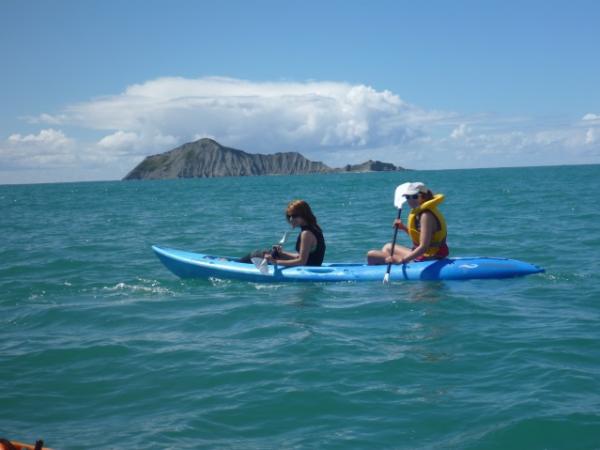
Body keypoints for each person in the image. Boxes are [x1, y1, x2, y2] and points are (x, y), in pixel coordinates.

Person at [367, 182, 448, 265]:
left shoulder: (425, 215)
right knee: (388, 247)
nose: (410, 200)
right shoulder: (421, 212)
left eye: (415, 196)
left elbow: (424, 247)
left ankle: (393, 267)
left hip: (429, 257)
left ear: (424, 197)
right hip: (426, 254)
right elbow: (420, 237)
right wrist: (403, 228)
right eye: (408, 197)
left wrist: (401, 260)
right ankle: (392, 268)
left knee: (371, 255)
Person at [264, 200, 326, 267]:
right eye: (289, 216)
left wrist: (275, 262)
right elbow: (304, 257)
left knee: (257, 255)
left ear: (304, 214)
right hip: (311, 266)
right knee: (267, 253)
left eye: (294, 216)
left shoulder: (306, 234)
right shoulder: (314, 227)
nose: (291, 219)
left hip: (308, 270)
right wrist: (281, 254)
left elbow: (302, 261)